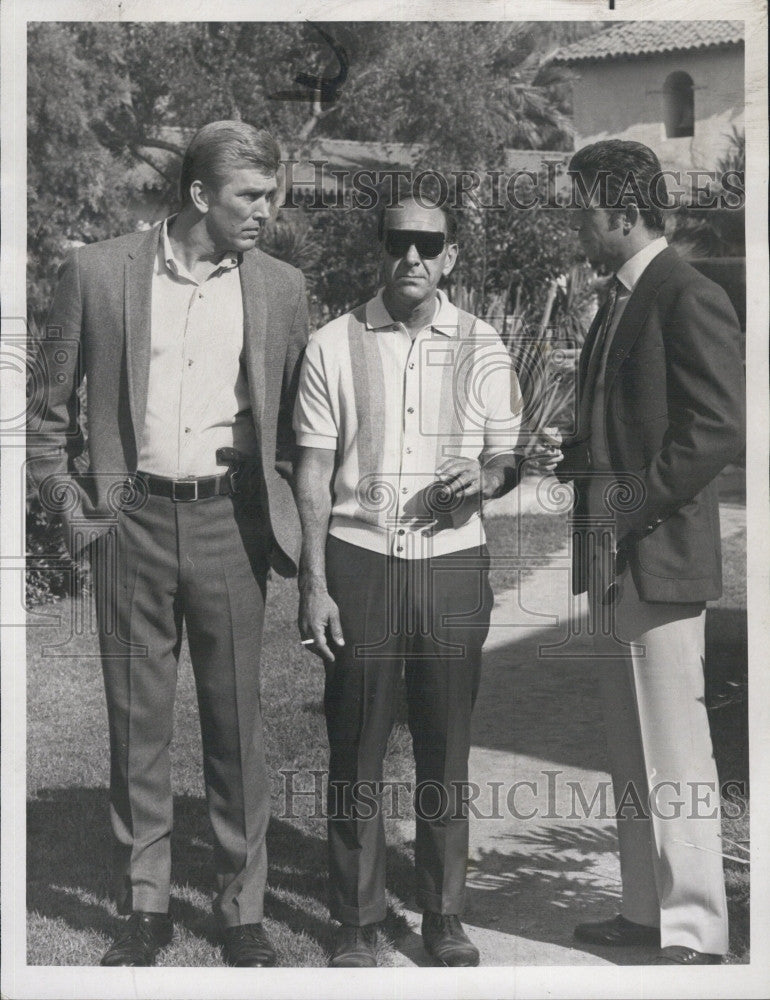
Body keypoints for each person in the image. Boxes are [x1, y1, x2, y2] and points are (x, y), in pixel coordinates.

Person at [27, 121, 309, 967]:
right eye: (251, 197)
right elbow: (42, 419)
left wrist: (284, 510)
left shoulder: (282, 288)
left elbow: (298, 425)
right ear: (199, 196)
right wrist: (80, 518)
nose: (268, 211)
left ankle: (241, 907)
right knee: (135, 723)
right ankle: (145, 905)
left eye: (272, 195)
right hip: (132, 525)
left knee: (236, 726)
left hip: (231, 526)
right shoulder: (98, 273)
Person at [292, 195, 528, 968]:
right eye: (400, 241)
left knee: (445, 744)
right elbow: (314, 470)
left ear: (450, 256)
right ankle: (356, 921)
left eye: (429, 244)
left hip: (453, 564)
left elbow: (507, 457)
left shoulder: (484, 343)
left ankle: (443, 914)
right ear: (382, 248)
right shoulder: (333, 343)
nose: (413, 258)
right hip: (360, 560)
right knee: (355, 743)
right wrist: (314, 582)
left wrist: (484, 479)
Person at [556, 140, 745, 964]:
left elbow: (714, 430)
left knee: (675, 750)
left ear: (623, 212)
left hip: (656, 554)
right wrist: (577, 457)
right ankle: (642, 915)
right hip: (611, 555)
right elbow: (623, 423)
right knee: (630, 747)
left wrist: (624, 507)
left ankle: (696, 932)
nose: (578, 222)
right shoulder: (619, 298)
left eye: (584, 207)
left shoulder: (685, 294)